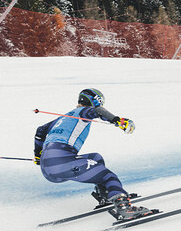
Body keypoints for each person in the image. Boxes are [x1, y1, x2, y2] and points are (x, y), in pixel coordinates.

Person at [34, 88, 152, 221]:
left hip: (48, 168)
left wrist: (38, 156)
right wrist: (118, 120)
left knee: (95, 158)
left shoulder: (63, 117)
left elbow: (40, 131)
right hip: (63, 162)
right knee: (108, 176)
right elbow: (97, 111)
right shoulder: (83, 112)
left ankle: (106, 194)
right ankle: (124, 208)